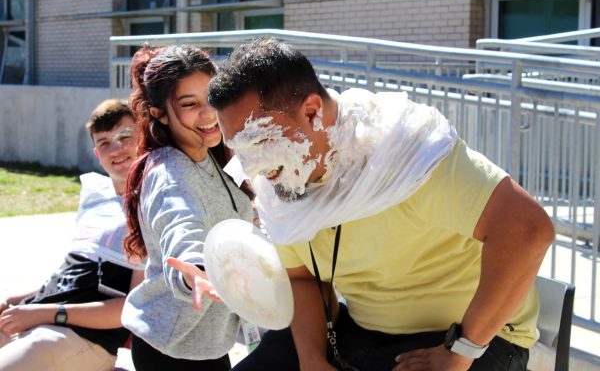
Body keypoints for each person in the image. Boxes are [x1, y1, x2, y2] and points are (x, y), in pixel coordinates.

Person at [207, 37, 555, 371]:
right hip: (363, 334)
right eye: (239, 148)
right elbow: (303, 279)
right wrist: (311, 359)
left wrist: (461, 350)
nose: (251, 168)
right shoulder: (281, 177)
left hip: (473, 338)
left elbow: (528, 230)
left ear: (312, 112)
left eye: (258, 141)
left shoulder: (405, 151)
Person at [121, 45, 254, 371]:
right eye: (190, 104)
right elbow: (181, 224)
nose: (208, 113)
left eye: (212, 97)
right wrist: (194, 274)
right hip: (171, 348)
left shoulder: (210, 153)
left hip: (208, 341)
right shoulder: (170, 176)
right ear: (160, 114)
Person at [0, 99, 145, 371]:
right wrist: (15, 303)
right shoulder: (95, 200)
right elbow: (73, 280)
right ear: (96, 153)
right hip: (42, 321)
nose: (116, 148)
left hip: (81, 338)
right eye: (104, 143)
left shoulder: (150, 206)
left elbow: (132, 307)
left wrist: (43, 313)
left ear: (142, 138)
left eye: (125, 136)